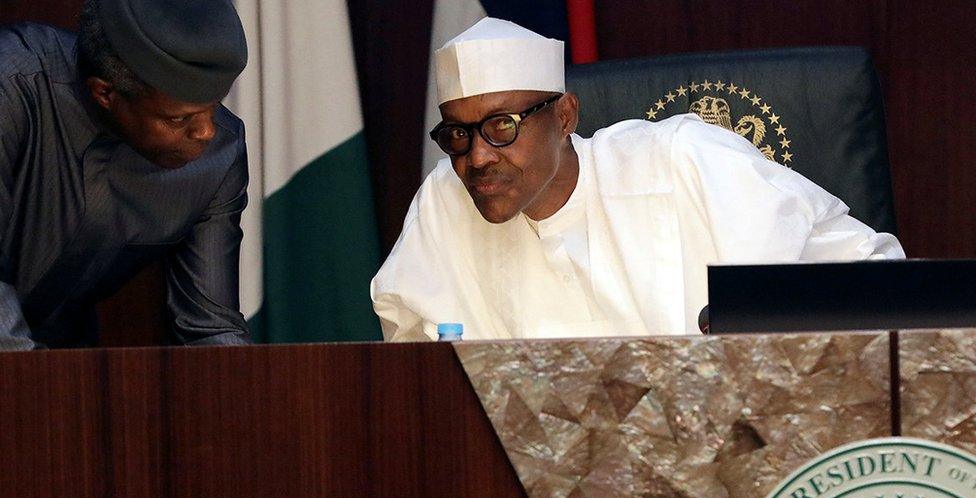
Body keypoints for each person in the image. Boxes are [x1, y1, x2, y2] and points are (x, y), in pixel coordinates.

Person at [371, 18, 905, 342]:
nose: (477, 157)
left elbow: (873, 279)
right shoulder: (445, 199)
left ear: (563, 118)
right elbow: (416, 367)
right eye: (458, 135)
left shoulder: (683, 160)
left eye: (501, 127)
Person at [0, 0, 252, 349]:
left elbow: (209, 327)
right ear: (104, 92)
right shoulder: (11, 83)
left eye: (213, 106)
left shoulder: (220, 155)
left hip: (61, 370)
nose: (207, 132)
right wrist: (41, 389)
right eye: (179, 118)